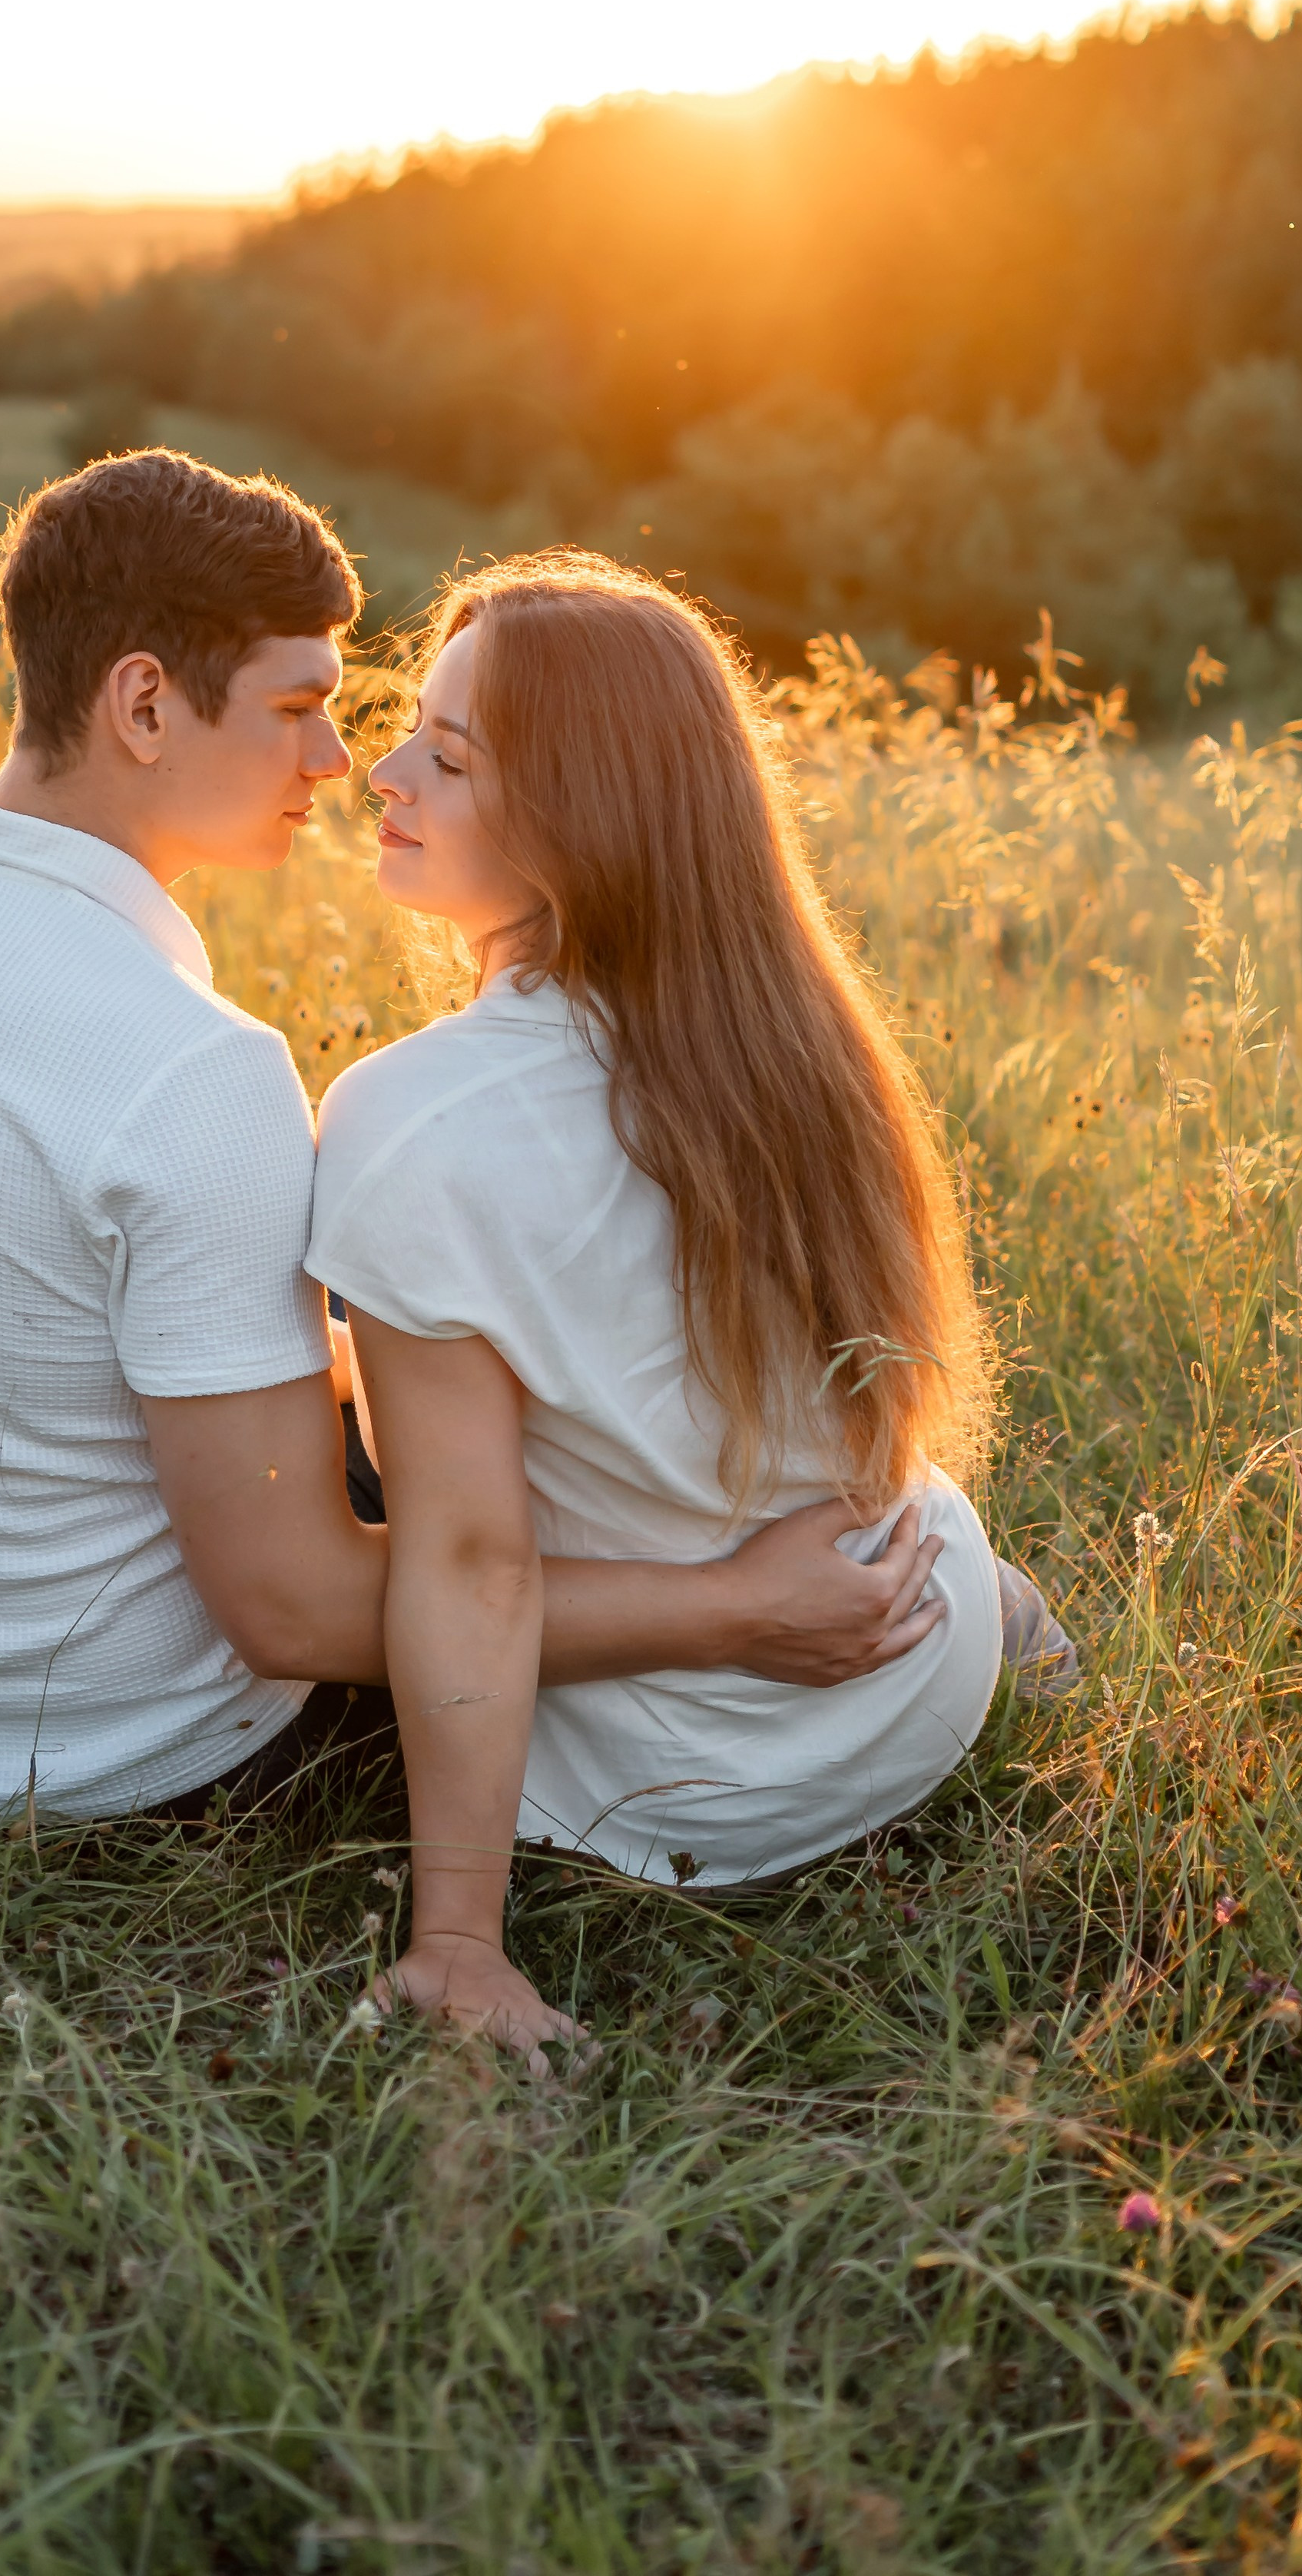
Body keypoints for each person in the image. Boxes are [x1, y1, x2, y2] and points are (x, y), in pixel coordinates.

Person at [0, 458, 945, 1826]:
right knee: (519, 1487)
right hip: (102, 1758)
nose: (337, 759)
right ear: (141, 703)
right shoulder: (193, 1072)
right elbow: (293, 1613)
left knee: (449, 1389)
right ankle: (939, 1612)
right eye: (298, 706)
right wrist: (730, 1612)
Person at [308, 552, 1064, 2069]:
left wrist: (458, 1936)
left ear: (580, 818)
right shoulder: (800, 1041)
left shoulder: (408, 1119)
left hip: (687, 1784)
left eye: (444, 757)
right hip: (907, 1663)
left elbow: (468, 1553)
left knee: (341, 1457)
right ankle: (1017, 1622)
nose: (381, 772)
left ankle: (1013, 1620)